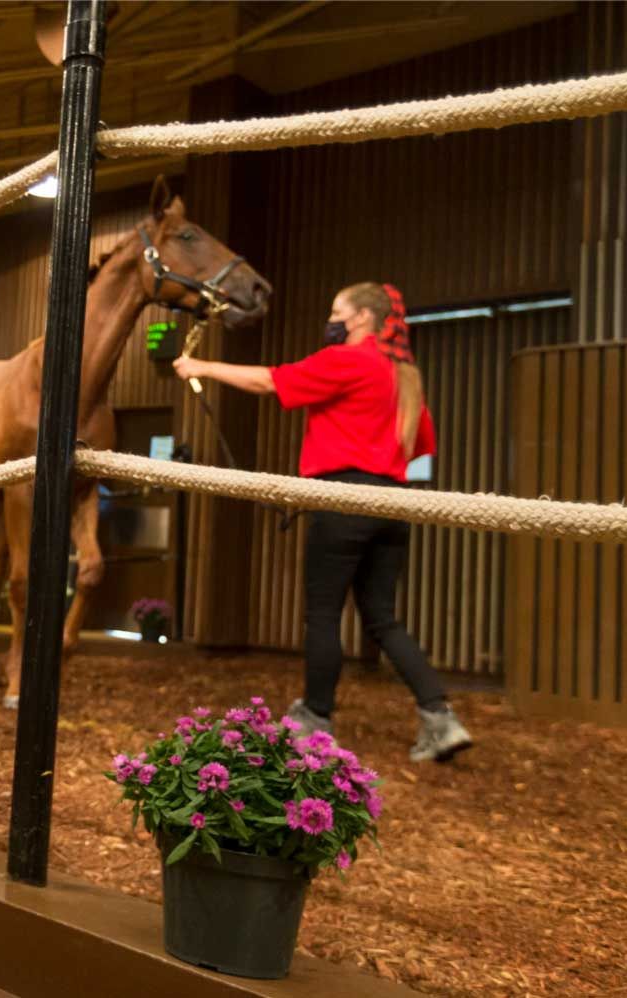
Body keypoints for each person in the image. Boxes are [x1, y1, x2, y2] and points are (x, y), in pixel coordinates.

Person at [173, 282, 472, 764]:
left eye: (337, 311)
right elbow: (420, 444)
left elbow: (271, 381)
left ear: (359, 319)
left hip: (342, 498)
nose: (331, 319)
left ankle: (315, 717)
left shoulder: (350, 360)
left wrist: (200, 366)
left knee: (324, 614)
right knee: (382, 617)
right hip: (395, 502)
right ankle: (440, 717)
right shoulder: (404, 375)